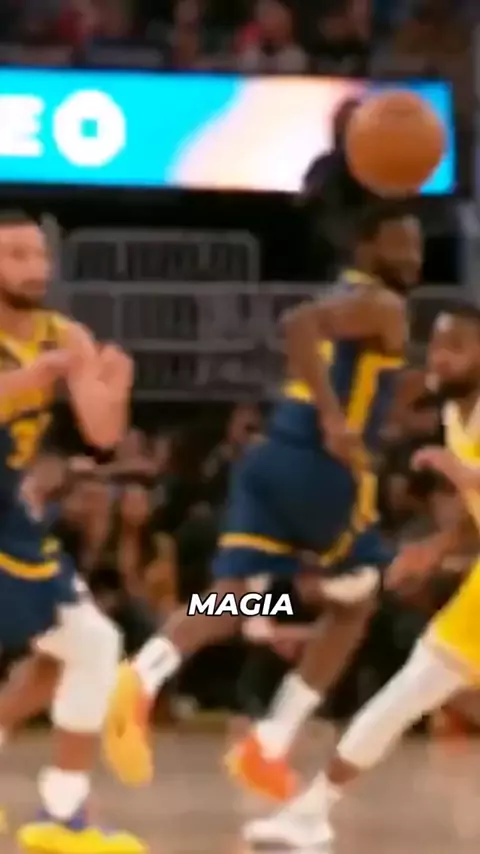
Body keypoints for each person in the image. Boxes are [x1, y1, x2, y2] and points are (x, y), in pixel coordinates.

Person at [102, 203, 433, 795]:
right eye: (399, 244)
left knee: (235, 596)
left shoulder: (347, 293)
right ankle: (270, 742)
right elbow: (298, 324)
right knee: (356, 599)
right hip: (323, 467)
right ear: (365, 248)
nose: (413, 256)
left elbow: (347, 366)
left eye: (417, 245)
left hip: (270, 455)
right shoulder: (382, 303)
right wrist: (334, 420)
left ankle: (143, 674)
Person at [244, 303, 480, 848]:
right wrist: (436, 547)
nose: (440, 358)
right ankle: (311, 811)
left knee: (408, 689)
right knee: (408, 691)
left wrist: (463, 473)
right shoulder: (454, 415)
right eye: (436, 345)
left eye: (457, 347)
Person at [0, 210, 141, 854]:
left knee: (85, 645)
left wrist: (115, 389)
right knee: (86, 644)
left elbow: (102, 434)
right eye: (15, 256)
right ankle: (62, 810)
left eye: (38, 255)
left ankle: (63, 812)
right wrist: (28, 381)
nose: (34, 268)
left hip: (11, 512)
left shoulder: (66, 334)